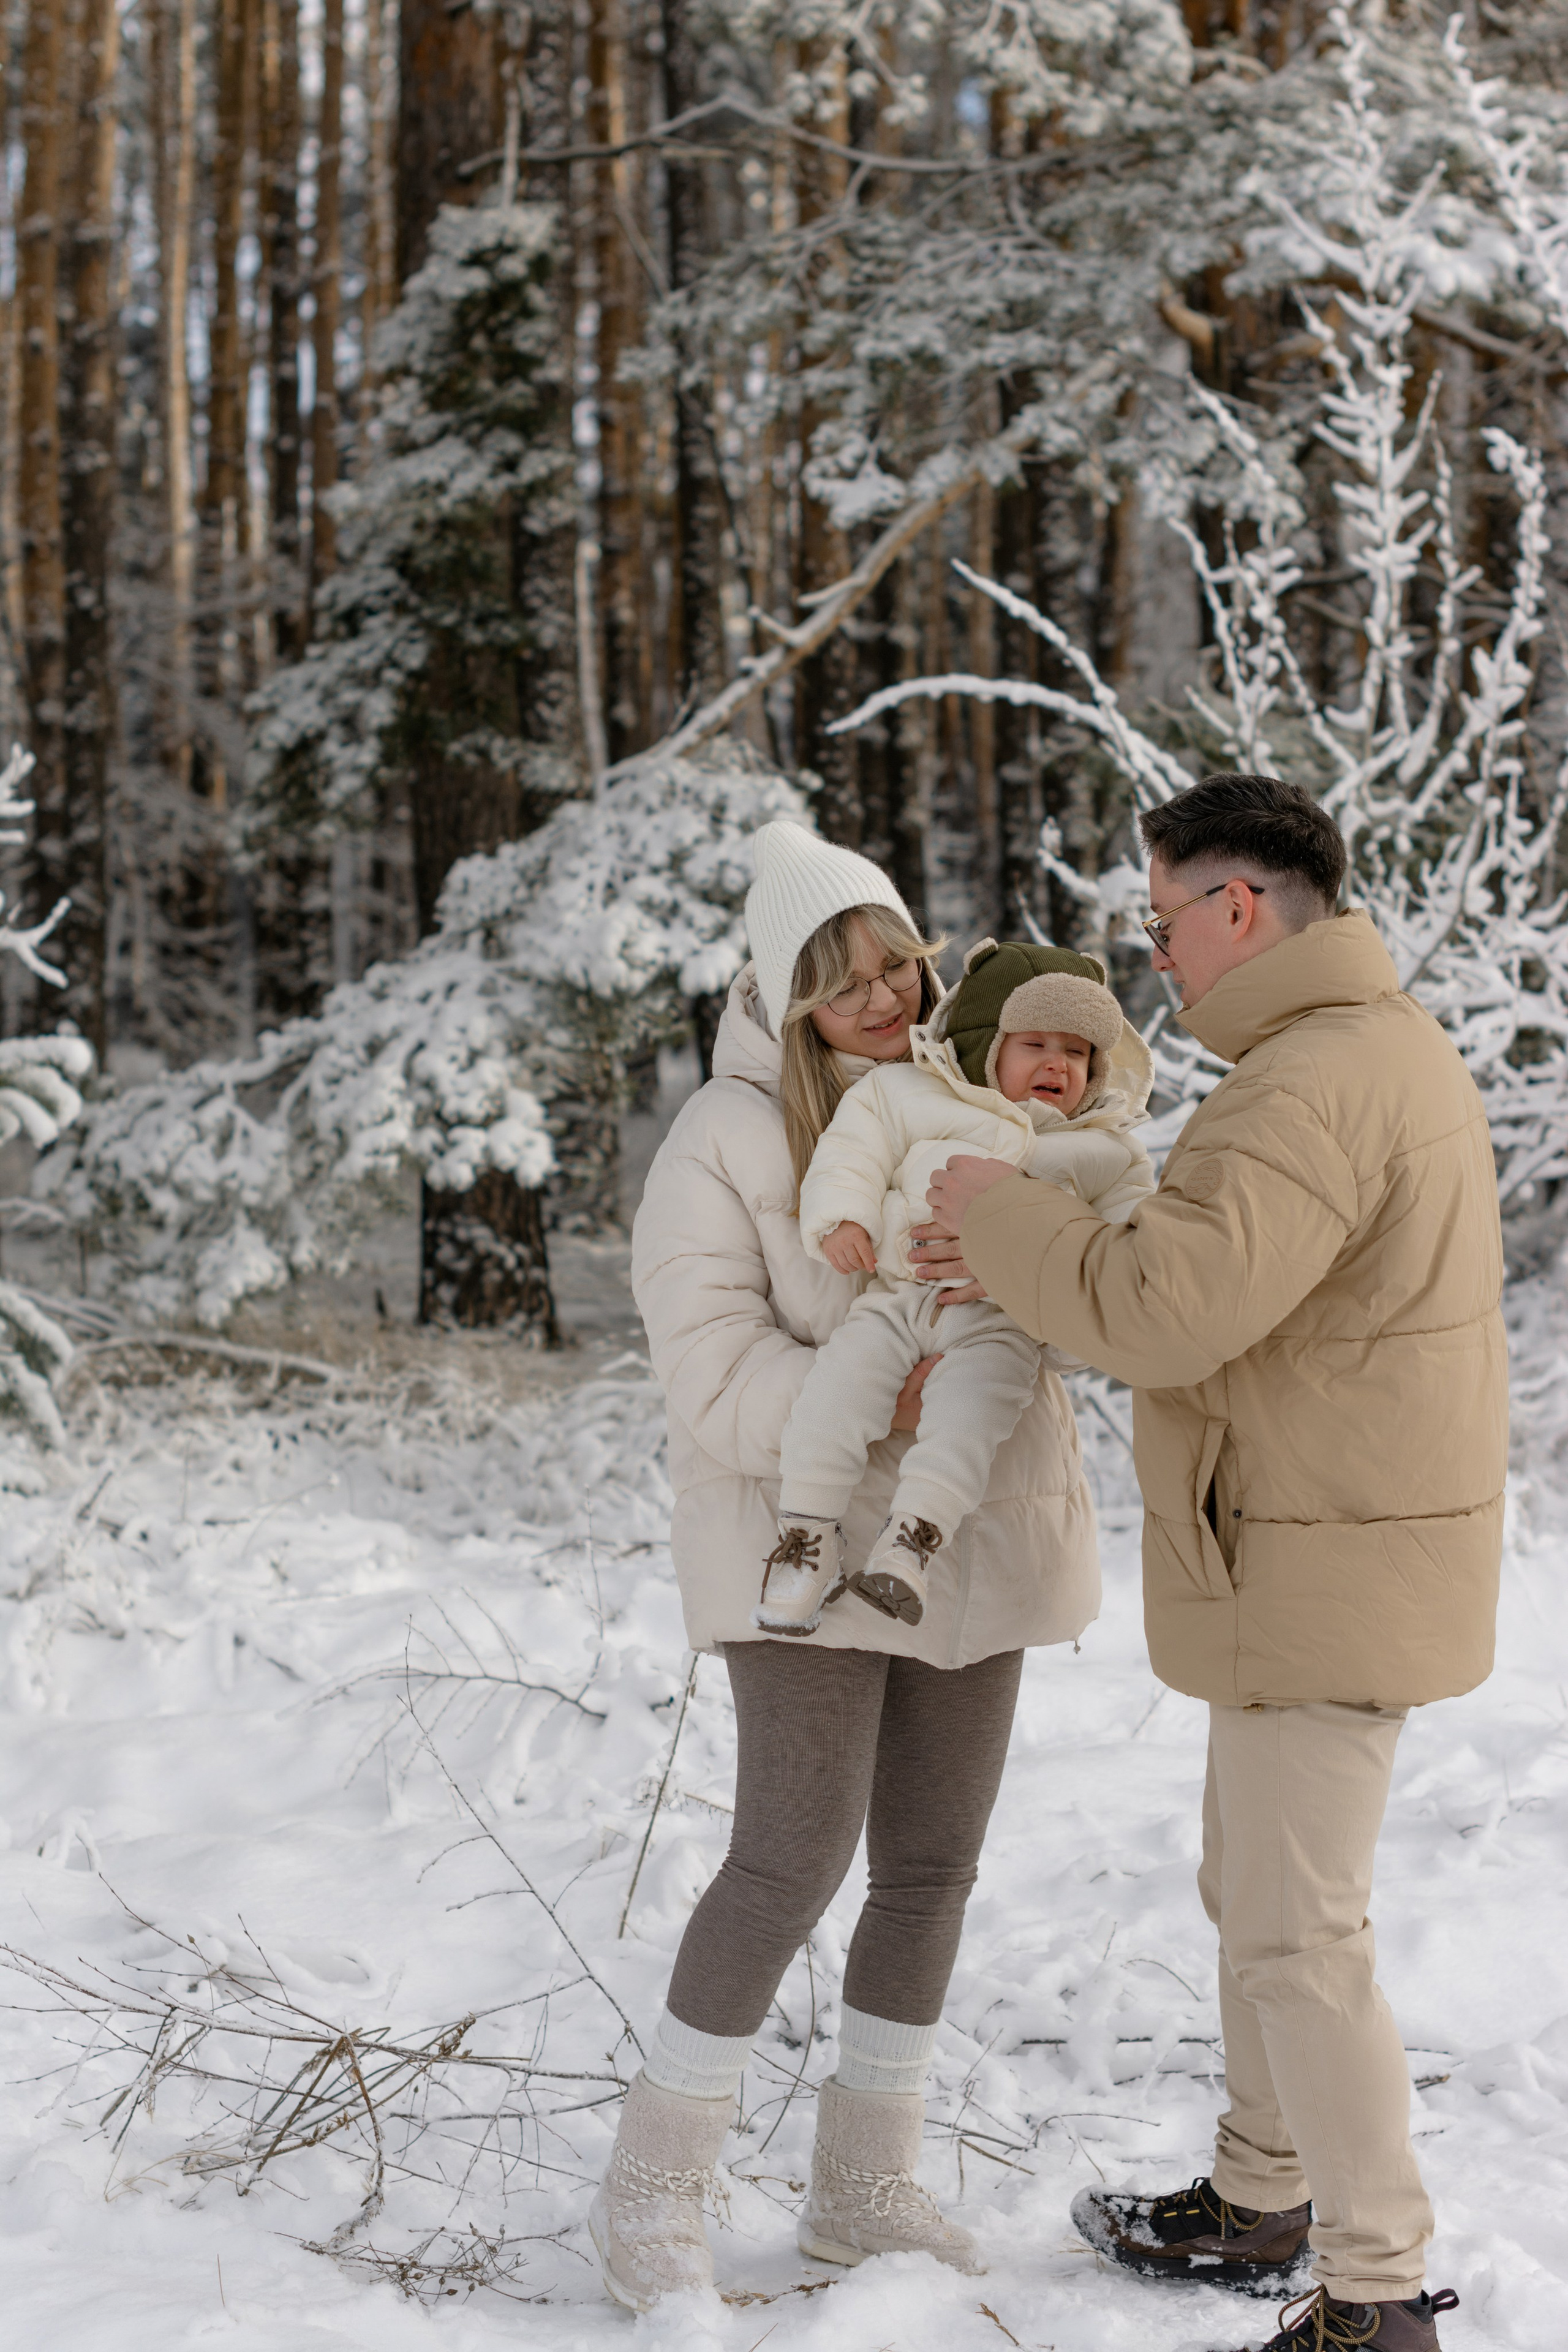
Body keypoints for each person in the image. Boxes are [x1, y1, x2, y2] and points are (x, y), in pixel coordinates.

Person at [918, 774, 1501, 2352]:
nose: (1154, 951)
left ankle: (1374, 2299)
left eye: (1162, 915)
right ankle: (1259, 2196)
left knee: (1297, 1936)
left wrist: (996, 1216)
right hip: (1316, 1551)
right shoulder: (1359, 1049)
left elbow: (1164, 1311)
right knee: (1251, 1899)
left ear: (1235, 906)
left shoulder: (1305, 1084)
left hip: (1323, 1565)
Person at [590, 820, 1102, 2312]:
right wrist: (874, 1394)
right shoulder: (721, 1137)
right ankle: (649, 2190)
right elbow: (707, 1365)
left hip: (962, 1523)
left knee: (931, 1863)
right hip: (799, 1535)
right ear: (784, 992)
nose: (883, 995)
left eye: (896, 962)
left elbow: (1069, 1271)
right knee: (787, 1858)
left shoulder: (978, 1091)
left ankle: (863, 2184)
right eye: (842, 977)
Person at [757, 937, 1154, 1634]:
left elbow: (1120, 1260)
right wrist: (843, 1217)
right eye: (1034, 1043)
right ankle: (805, 1536)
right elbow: (852, 1150)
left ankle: (911, 1543)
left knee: (970, 1420)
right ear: (984, 1045)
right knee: (835, 1394)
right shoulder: (910, 1092)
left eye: (1077, 1050)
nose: (1057, 1063)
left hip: (1001, 1323)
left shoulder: (1109, 1151)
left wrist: (1040, 1274)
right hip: (896, 1298)